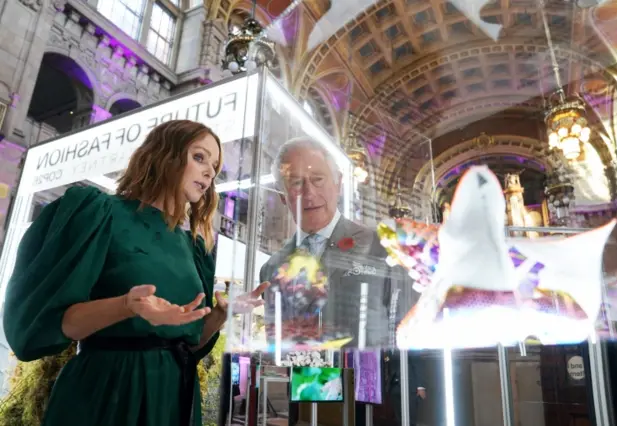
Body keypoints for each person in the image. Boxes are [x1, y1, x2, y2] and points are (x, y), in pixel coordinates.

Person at [2, 120, 267, 426]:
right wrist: (126, 306)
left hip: (173, 398)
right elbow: (52, 323)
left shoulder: (193, 247)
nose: (210, 172)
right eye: (199, 157)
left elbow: (187, 346)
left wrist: (222, 313)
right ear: (165, 154)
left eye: (215, 166)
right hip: (109, 393)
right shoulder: (102, 214)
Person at [259, 137, 423, 425]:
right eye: (296, 183)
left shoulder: (383, 246)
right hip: (310, 401)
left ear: (338, 183)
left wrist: (414, 398)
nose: (309, 193)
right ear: (284, 196)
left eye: (318, 179)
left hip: (378, 402)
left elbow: (412, 328)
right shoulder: (272, 268)